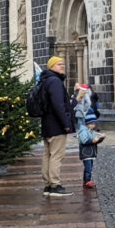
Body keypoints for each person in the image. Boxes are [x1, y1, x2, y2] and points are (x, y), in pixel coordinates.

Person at [38, 56, 74, 197]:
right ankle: (55, 185)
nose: (62, 66)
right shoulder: (55, 82)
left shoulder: (45, 81)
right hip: (56, 124)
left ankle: (47, 185)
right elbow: (58, 104)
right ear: (51, 66)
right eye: (59, 64)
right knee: (56, 155)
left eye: (63, 64)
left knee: (47, 154)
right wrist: (66, 124)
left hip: (47, 123)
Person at [77, 109, 105, 188]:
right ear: (87, 123)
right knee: (88, 168)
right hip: (86, 153)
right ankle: (87, 181)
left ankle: (86, 180)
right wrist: (93, 140)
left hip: (91, 153)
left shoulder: (91, 131)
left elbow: (95, 141)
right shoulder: (83, 131)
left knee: (89, 167)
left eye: (94, 123)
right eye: (92, 123)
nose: (94, 125)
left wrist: (101, 138)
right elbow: (84, 141)